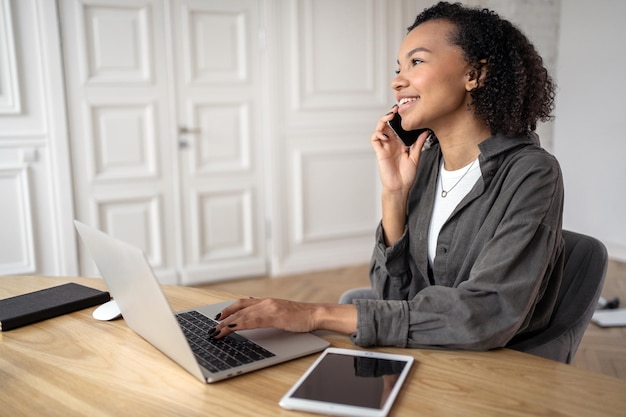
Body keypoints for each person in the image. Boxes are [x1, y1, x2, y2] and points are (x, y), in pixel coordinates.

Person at [211, 1, 564, 353]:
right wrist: (394, 193)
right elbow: (393, 297)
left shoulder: (531, 173)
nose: (397, 81)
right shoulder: (426, 163)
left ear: (475, 74)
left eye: (417, 61)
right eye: (399, 67)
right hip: (421, 352)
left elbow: (486, 317)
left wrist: (315, 313)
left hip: (492, 371)